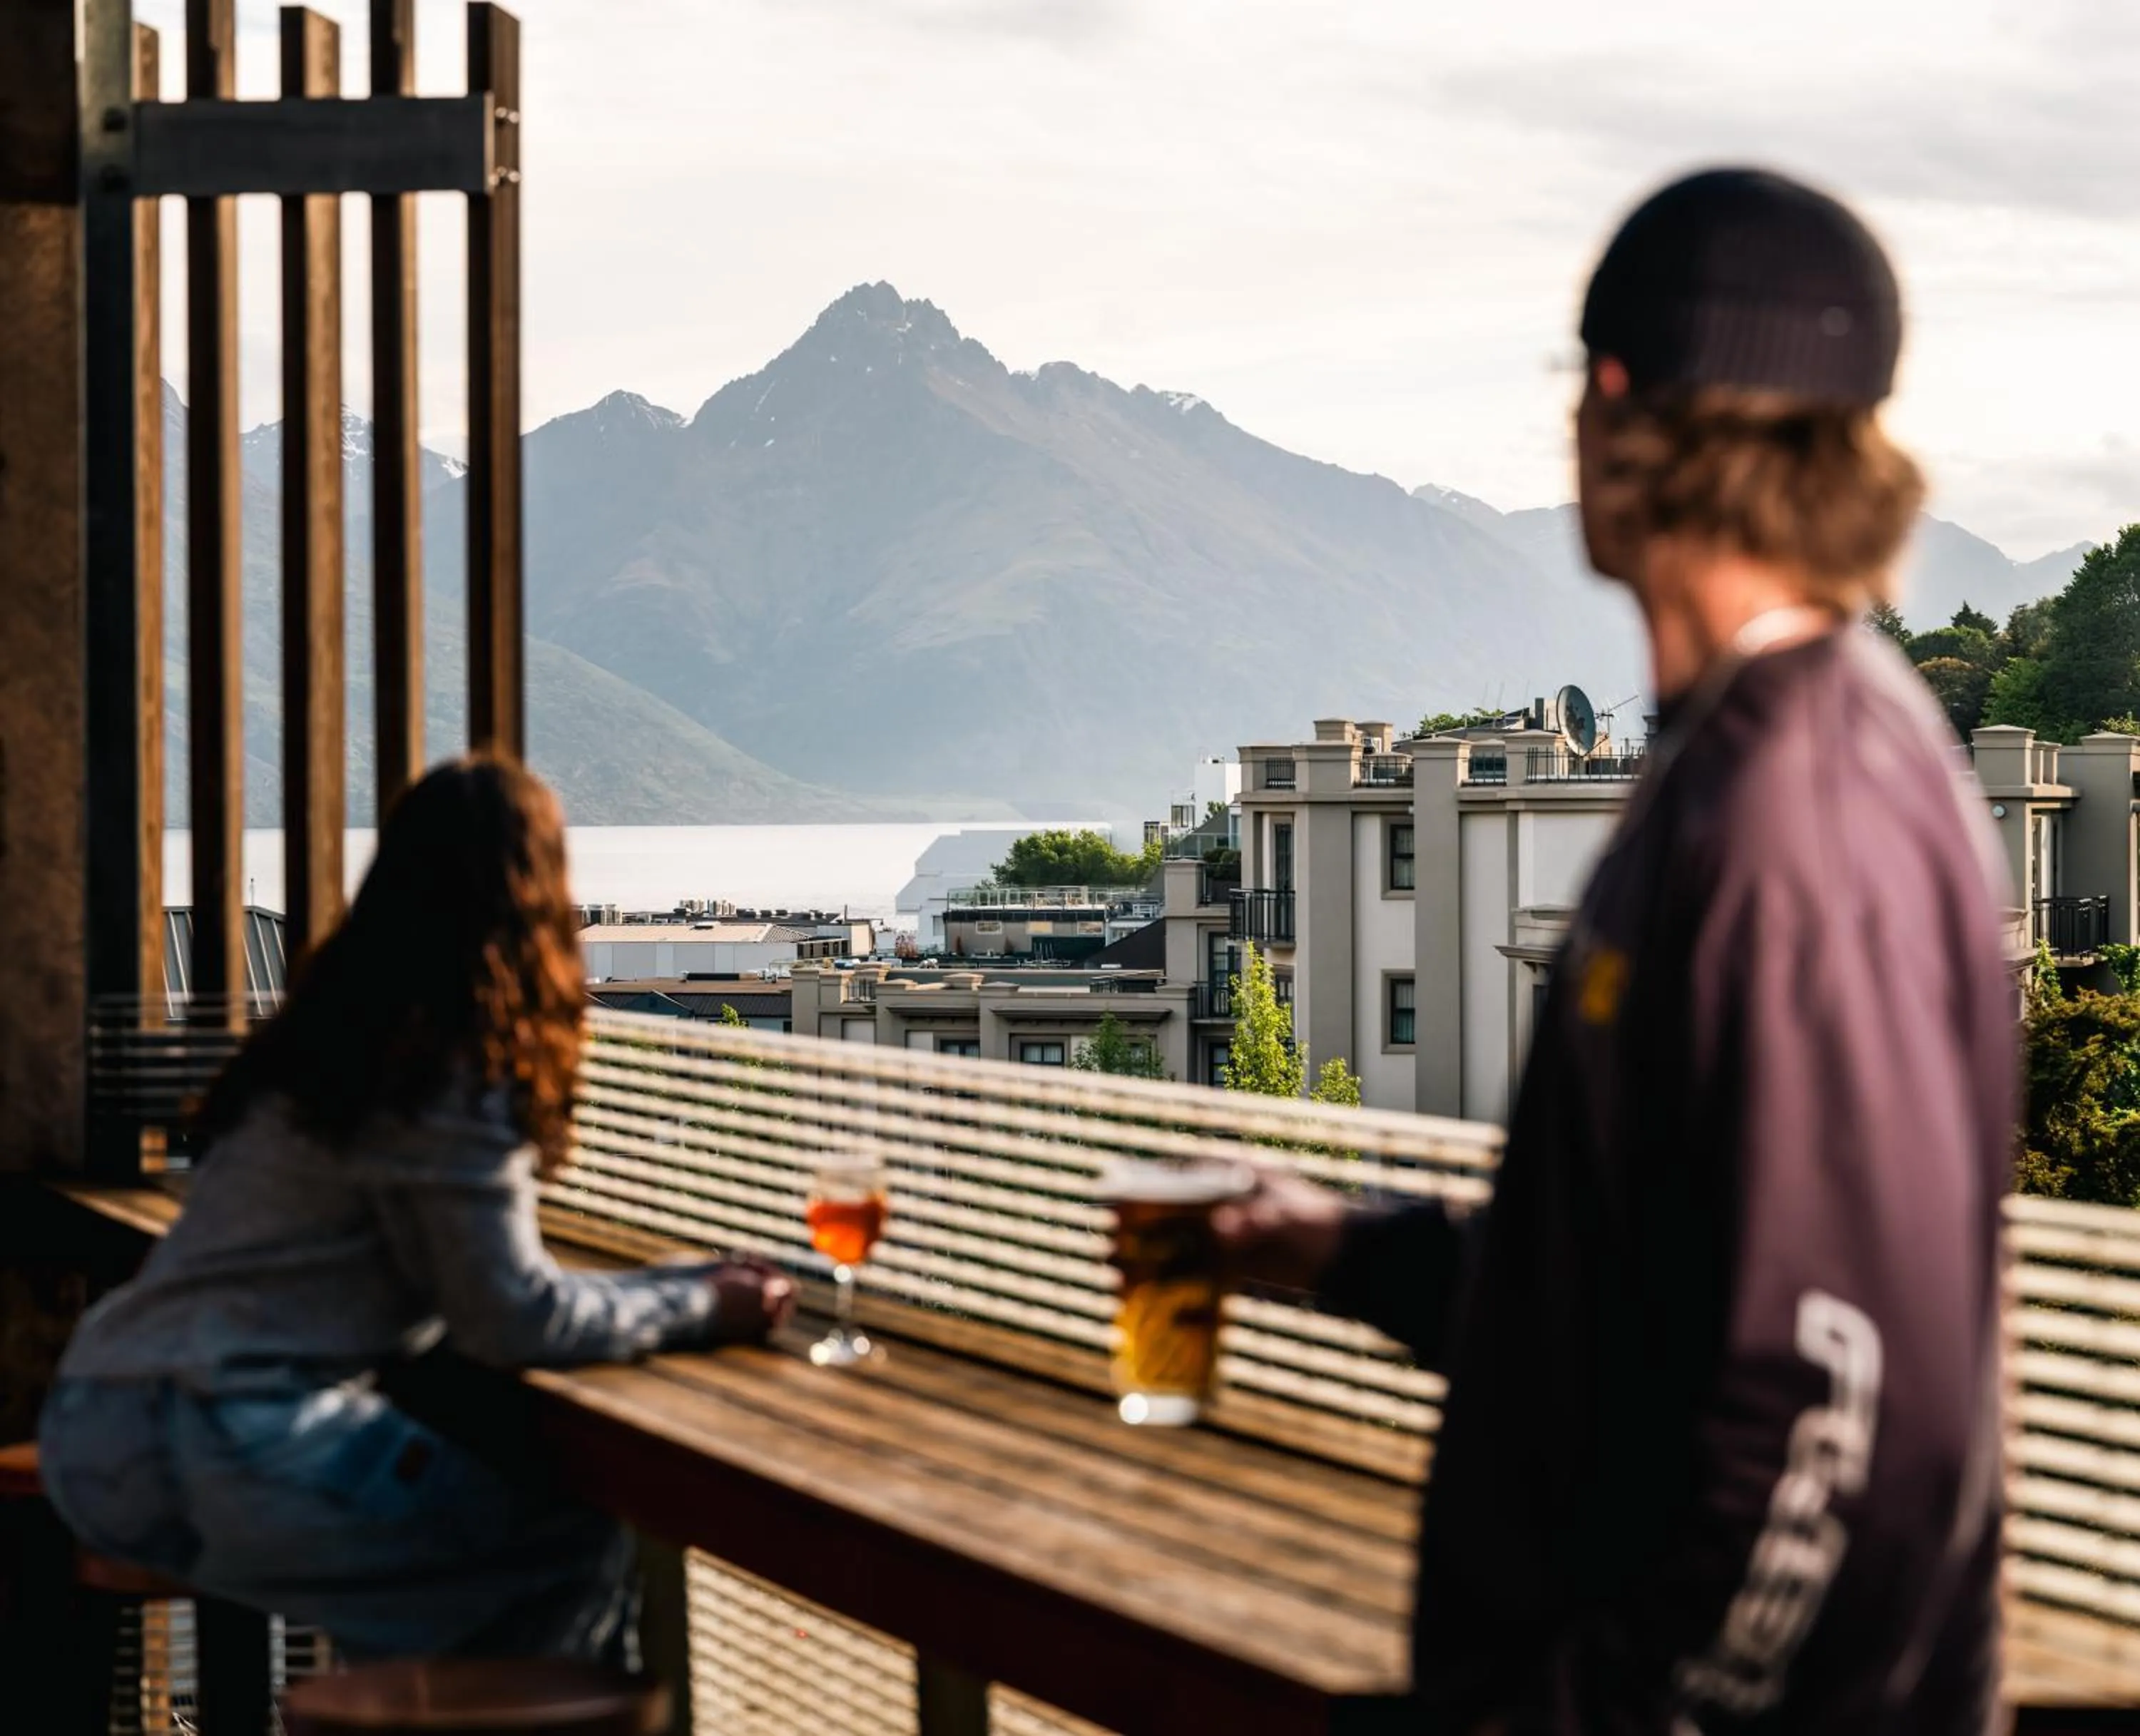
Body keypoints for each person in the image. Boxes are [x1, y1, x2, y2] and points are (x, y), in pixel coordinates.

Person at [1209, 170, 2015, 1732]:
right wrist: (1343, 1245)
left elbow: (1837, 1415)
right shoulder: (1781, 753)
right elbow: (1649, 1303)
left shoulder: (1797, 820)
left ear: (1624, 410)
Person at [39, 755, 795, 1663]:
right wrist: (708, 1300)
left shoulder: (325, 1044)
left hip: (103, 1417)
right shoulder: (448, 1070)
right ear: (539, 896)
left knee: (424, 1572)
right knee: (568, 1547)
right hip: (226, 1444)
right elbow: (514, 1316)